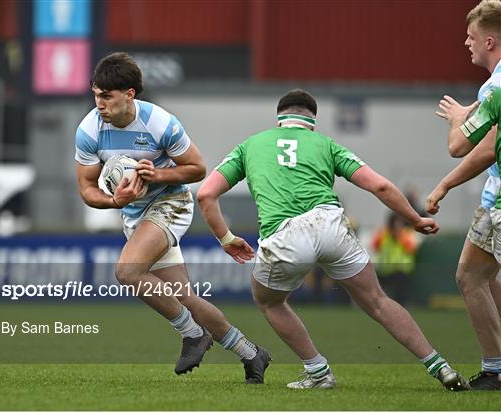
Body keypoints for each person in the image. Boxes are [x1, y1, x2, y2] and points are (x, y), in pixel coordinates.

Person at [196, 88, 469, 391]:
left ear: (279, 121)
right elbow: (379, 186)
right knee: (378, 301)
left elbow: (206, 194)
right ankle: (439, 366)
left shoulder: (251, 146)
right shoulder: (326, 144)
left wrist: (226, 237)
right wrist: (415, 219)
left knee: (269, 301)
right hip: (331, 225)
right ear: (311, 123)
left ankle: (318, 371)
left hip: (285, 237)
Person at [75, 52, 270, 383]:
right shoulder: (89, 129)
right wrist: (113, 200)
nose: (100, 104)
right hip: (136, 215)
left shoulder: (160, 123)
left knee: (127, 270)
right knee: (183, 298)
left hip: (171, 203)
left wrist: (158, 176)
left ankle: (192, 334)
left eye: (106, 96)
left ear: (129, 94)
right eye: (96, 95)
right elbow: (86, 189)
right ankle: (251, 354)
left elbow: (197, 169)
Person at [426, 0, 501, 390]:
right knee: (478, 275)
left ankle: (495, 369)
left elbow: (460, 146)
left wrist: (458, 119)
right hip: (493, 202)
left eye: (471, 37)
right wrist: (444, 186)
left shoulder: (495, 86)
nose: (465, 43)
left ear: (490, 41)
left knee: (471, 277)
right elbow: (490, 148)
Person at [371, 213, 418, 306]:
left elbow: (412, 248)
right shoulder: (383, 235)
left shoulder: (406, 235)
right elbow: (374, 246)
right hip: (384, 271)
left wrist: (400, 237)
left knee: (400, 291)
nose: (396, 227)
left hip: (402, 271)